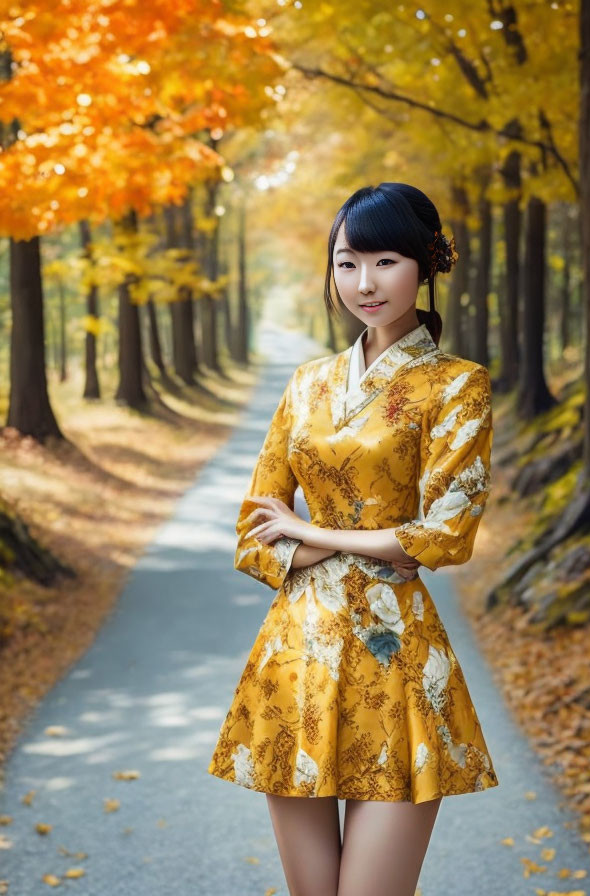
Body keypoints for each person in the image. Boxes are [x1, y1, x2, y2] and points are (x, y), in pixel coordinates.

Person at [208, 182, 499, 896]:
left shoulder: (457, 387)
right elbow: (252, 538)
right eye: (346, 263)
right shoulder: (305, 385)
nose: (363, 283)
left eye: (385, 261)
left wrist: (308, 530)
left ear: (426, 264)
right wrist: (331, 538)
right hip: (297, 660)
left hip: (397, 658)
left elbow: (444, 536)